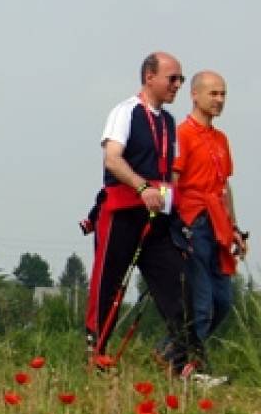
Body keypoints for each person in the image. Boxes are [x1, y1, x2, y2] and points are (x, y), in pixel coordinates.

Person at [85, 51, 208, 380]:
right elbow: (112, 159)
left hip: (159, 219)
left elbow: (172, 174)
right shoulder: (125, 112)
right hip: (124, 212)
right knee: (109, 283)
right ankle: (96, 354)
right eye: (173, 78)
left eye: (181, 78)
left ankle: (184, 365)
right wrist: (141, 187)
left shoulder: (168, 122)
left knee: (178, 284)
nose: (178, 84)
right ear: (149, 77)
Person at [172, 70, 247, 361]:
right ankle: (189, 364)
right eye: (213, 93)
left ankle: (169, 351)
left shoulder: (221, 139)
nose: (219, 100)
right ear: (195, 94)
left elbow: (224, 186)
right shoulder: (182, 133)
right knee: (200, 303)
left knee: (223, 302)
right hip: (193, 222)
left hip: (218, 225)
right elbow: (173, 180)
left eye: (223, 94)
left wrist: (235, 228)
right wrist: (175, 224)